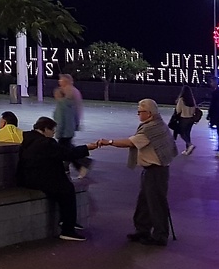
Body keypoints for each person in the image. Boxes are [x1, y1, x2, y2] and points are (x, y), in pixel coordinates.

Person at [88, 98, 177, 248]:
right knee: (144, 202)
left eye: (140, 112)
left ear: (148, 113)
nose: (138, 115)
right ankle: (142, 230)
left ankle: (160, 236)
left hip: (156, 171)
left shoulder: (150, 129)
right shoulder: (157, 125)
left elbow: (130, 142)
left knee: (156, 204)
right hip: (153, 170)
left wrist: (108, 142)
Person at [17, 116, 86, 242]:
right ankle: (68, 229)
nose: (54, 133)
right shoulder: (46, 143)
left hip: (27, 178)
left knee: (62, 185)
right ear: (45, 129)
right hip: (39, 179)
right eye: (52, 130)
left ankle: (67, 220)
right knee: (67, 189)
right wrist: (87, 148)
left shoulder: (28, 140)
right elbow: (67, 154)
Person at [169, 85, 201, 156]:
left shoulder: (181, 100)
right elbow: (195, 108)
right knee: (187, 133)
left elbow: (178, 110)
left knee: (182, 133)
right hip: (191, 119)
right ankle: (187, 150)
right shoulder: (192, 100)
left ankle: (190, 145)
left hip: (184, 118)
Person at [53, 79, 81, 152]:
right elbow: (75, 116)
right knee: (68, 150)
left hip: (63, 133)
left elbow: (60, 120)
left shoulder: (61, 105)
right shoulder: (70, 104)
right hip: (70, 131)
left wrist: (58, 134)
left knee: (63, 152)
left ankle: (81, 161)